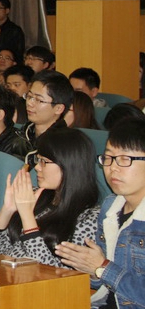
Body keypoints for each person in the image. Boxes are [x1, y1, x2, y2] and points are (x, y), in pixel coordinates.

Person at [55, 119, 145, 308]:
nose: (113, 167)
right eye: (108, 157)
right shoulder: (111, 207)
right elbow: (104, 286)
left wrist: (102, 267)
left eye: (125, 159)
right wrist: (90, 268)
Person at [0, 127, 99, 268]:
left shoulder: (89, 218)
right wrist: (7, 210)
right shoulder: (35, 196)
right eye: (38, 160)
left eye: (44, 161)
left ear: (68, 165)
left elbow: (53, 272)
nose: (38, 167)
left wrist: (27, 216)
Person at [22, 70, 73, 146]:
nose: (29, 103)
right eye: (29, 96)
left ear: (58, 108)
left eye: (39, 100)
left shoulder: (64, 145)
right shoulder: (21, 134)